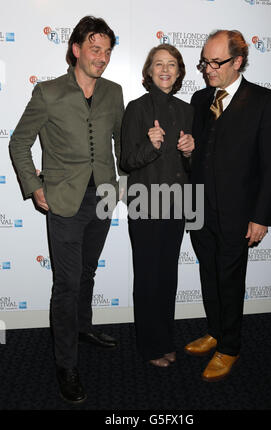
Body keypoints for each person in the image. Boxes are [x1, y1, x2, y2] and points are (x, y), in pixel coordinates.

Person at [9, 16, 124, 403]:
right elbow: (19, 144)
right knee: (68, 283)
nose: (102, 58)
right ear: (76, 49)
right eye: (95, 49)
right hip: (64, 201)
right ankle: (66, 364)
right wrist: (34, 186)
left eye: (107, 51)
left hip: (103, 198)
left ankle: (83, 327)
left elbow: (121, 145)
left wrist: (123, 181)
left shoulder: (114, 92)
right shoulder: (48, 92)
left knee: (88, 273)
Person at [185, 30, 271, 381]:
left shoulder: (265, 101)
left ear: (237, 61)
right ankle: (214, 331)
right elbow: (196, 155)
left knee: (229, 280)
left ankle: (230, 346)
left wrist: (260, 216)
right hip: (199, 211)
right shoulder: (199, 99)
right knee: (208, 275)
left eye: (216, 62)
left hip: (238, 213)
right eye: (205, 62)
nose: (208, 69)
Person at [120, 45, 194, 367]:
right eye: (159, 64)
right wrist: (150, 147)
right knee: (149, 277)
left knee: (168, 277)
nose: (165, 70)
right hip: (146, 204)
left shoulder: (188, 110)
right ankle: (149, 346)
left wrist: (191, 152)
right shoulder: (136, 108)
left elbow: (193, 165)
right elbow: (125, 162)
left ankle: (165, 339)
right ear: (149, 71)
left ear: (179, 73)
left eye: (172, 65)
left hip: (176, 204)